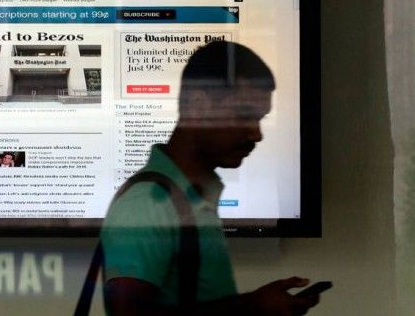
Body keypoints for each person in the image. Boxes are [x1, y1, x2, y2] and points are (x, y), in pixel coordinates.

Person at [100, 41, 320, 315]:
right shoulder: (146, 204)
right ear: (199, 105)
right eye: (245, 115)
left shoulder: (190, 199)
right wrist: (251, 307)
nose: (257, 134)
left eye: (260, 119)